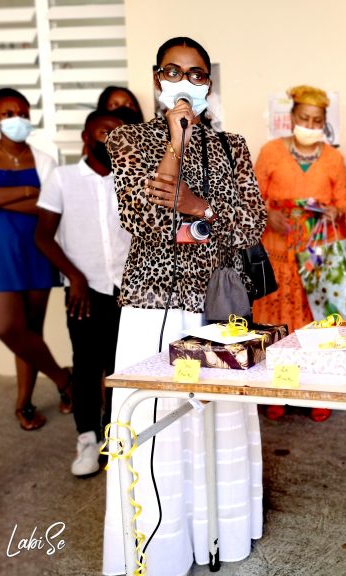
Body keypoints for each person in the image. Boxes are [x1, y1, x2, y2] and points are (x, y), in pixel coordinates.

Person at [102, 37, 267, 575]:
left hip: (217, 308)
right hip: (153, 308)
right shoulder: (127, 140)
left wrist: (198, 208)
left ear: (208, 85)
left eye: (196, 75)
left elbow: (251, 225)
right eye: (173, 72)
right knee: (157, 426)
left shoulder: (232, 146)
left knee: (217, 421)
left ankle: (218, 535)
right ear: (157, 79)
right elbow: (142, 221)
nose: (184, 83)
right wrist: (175, 140)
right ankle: (160, 550)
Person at [35, 109, 132, 477]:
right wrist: (74, 277)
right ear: (87, 137)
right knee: (87, 366)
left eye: (119, 133)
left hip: (127, 289)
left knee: (122, 366)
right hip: (85, 290)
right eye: (105, 132)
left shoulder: (132, 178)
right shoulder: (63, 178)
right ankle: (87, 438)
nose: (112, 139)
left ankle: (113, 435)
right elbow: (43, 236)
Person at [252, 85, 346, 423]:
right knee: (279, 323)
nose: (310, 125)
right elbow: (251, 198)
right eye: (304, 118)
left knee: (320, 327)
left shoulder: (333, 158)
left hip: (321, 253)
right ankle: (279, 392)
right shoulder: (270, 152)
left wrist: (337, 212)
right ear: (292, 117)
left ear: (324, 122)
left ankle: (319, 392)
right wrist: (268, 215)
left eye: (317, 121)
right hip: (280, 252)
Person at [0, 87, 72, 431]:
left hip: (38, 249)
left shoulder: (44, 160)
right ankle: (64, 379)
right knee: (7, 327)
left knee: (30, 332)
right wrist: (27, 191)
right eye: (8, 114)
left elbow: (49, 207)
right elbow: (33, 200)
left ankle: (24, 404)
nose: (17, 119)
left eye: (22, 113)